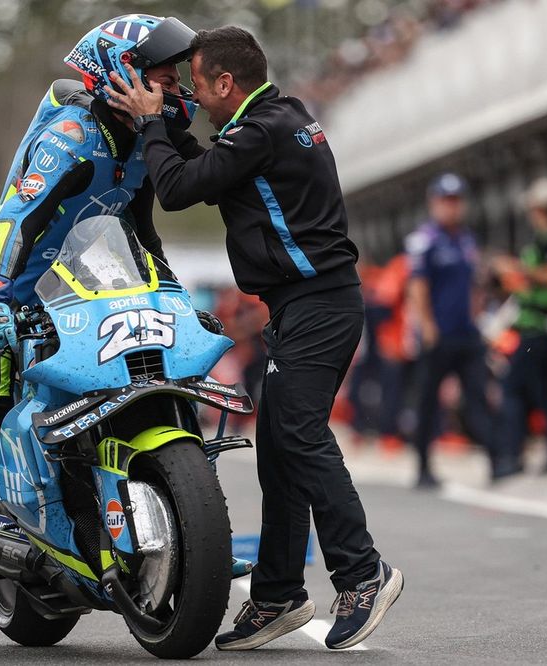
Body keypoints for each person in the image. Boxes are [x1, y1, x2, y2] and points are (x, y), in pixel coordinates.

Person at [105, 25, 402, 652]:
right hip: (305, 305)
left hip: (318, 303)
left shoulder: (258, 132)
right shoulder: (279, 116)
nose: (189, 93)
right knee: (278, 447)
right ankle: (276, 596)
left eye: (196, 84)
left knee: (297, 434)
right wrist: (160, 121)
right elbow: (205, 166)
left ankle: (362, 572)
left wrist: (154, 123)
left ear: (225, 82)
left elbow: (179, 187)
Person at [0, 15, 203, 658]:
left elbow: (139, 235)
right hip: (7, 292)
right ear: (120, 70)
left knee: (165, 379)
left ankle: (185, 536)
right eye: (163, 72)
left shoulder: (139, 139)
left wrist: (176, 299)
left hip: (78, 293)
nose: (176, 83)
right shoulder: (75, 134)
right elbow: (9, 222)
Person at [405, 173, 500, 487]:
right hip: (438, 334)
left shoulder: (467, 240)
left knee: (477, 396)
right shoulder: (425, 240)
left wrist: (478, 317)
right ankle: (422, 467)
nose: (452, 207)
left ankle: (497, 460)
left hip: (466, 333)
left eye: (456, 201)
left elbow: (475, 284)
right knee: (429, 402)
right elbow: (417, 286)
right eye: (446, 201)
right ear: (434, 202)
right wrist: (427, 326)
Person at [491, 178, 547, 476]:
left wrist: (517, 269)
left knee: (513, 389)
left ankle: (514, 455)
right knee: (544, 394)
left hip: (540, 327)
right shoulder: (545, 240)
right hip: (537, 325)